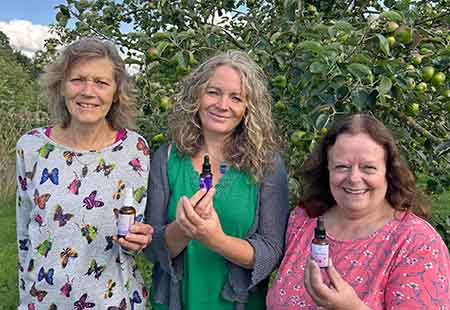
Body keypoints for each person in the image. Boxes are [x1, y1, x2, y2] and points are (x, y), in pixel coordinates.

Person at [144, 50, 290, 310]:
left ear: (248, 108)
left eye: (236, 97)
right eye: (213, 92)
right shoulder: (166, 158)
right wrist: (183, 228)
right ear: (196, 96)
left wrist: (215, 240)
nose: (222, 105)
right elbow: (152, 248)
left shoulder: (267, 165)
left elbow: (270, 252)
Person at [15, 38, 153, 309]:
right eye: (77, 79)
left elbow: (132, 234)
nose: (88, 91)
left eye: (101, 82)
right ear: (61, 86)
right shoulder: (31, 147)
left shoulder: (135, 149)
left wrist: (137, 240)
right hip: (45, 301)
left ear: (116, 92)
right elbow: (24, 237)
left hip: (115, 301)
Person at [266, 113, 450, 309]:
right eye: (342, 166)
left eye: (368, 168)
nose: (354, 178)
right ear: (327, 169)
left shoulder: (417, 243)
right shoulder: (304, 220)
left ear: (387, 171)